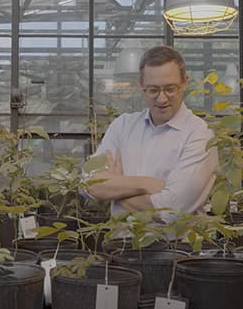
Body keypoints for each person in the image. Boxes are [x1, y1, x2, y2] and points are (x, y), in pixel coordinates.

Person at [86, 45, 218, 221]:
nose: (162, 99)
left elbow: (171, 208)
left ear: (185, 83)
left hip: (176, 248)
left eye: (170, 89)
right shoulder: (122, 125)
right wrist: (145, 184)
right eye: (153, 90)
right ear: (141, 86)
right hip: (120, 246)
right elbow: (89, 183)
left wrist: (116, 189)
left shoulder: (200, 135)